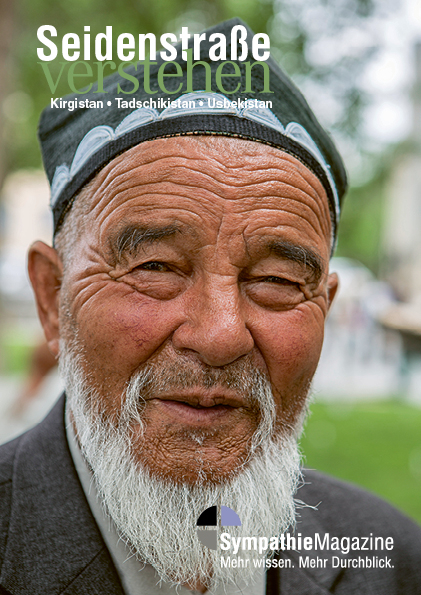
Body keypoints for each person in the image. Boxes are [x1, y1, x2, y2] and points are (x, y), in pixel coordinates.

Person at [0, 18, 420, 595]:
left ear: (325, 305)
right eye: (155, 268)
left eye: (276, 280)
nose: (221, 335)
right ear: (53, 297)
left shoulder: (393, 560)